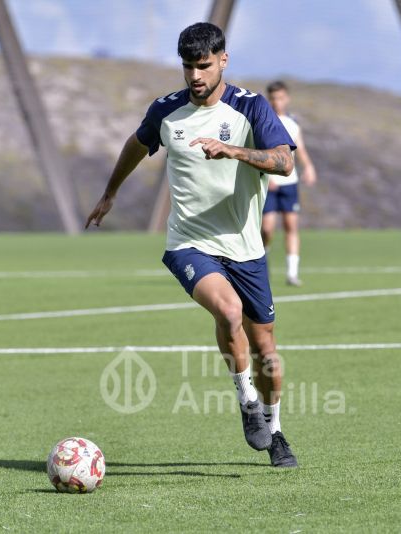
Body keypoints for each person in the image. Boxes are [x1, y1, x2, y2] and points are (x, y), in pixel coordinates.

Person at [85, 22, 298, 467]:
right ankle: (245, 401)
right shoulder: (166, 112)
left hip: (245, 248)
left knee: (267, 353)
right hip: (190, 243)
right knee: (227, 310)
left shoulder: (250, 108)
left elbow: (282, 160)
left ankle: (275, 429)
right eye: (188, 67)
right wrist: (110, 193)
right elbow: (135, 144)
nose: (195, 76)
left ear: (223, 60)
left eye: (203, 66)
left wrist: (235, 151)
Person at [261, 81, 317, 287]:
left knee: (291, 225)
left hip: (289, 183)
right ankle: (262, 261)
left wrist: (309, 167)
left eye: (281, 97)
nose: (277, 102)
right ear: (269, 99)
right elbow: (258, 151)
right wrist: (266, 176)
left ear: (287, 98)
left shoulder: (292, 122)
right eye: (273, 98)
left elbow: (299, 148)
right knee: (267, 229)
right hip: (269, 184)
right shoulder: (263, 121)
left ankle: (292, 273)